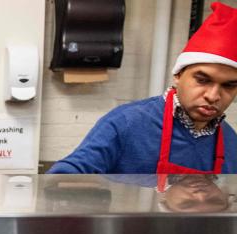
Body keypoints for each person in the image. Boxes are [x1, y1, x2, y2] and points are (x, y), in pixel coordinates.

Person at [49, 2, 237, 174]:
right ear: (178, 75)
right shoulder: (126, 123)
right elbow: (68, 176)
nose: (213, 96)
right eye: (202, 80)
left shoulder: (231, 141)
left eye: (229, 86)